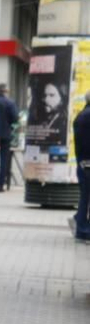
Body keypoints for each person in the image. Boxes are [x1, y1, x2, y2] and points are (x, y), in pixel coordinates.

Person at [0, 83, 18, 192]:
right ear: (6, 91)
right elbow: (15, 118)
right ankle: (0, 185)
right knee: (4, 160)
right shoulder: (10, 103)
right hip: (5, 133)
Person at [74, 97, 90, 243]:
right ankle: (83, 229)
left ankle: (80, 224)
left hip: (83, 161)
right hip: (87, 162)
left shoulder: (82, 114)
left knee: (85, 196)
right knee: (85, 197)